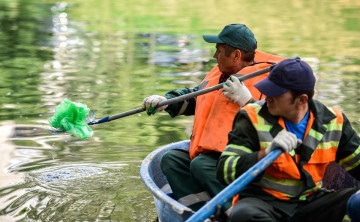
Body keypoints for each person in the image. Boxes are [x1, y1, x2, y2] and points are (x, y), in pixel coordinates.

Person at [142, 23, 284, 216]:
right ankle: (202, 213)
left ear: (236, 55)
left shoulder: (271, 82)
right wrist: (166, 101)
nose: (213, 56)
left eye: (219, 51)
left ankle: (236, 215)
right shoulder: (219, 74)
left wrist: (248, 101)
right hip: (214, 158)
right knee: (171, 160)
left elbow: (281, 126)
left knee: (201, 165)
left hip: (249, 164)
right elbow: (195, 98)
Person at [217, 58, 360, 222]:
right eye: (268, 89)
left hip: (311, 202)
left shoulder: (335, 121)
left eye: (276, 93)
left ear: (302, 100)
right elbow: (225, 172)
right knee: (243, 215)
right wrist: (264, 155)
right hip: (264, 203)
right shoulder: (251, 117)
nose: (268, 96)